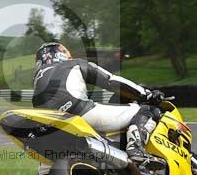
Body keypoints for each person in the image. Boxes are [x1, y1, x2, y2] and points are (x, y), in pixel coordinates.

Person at [32, 42, 165, 162]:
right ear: (58, 53)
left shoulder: (37, 78)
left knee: (52, 159)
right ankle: (136, 149)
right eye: (66, 51)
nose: (70, 54)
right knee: (148, 111)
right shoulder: (73, 64)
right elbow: (110, 81)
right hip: (80, 112)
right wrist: (146, 93)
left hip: (50, 127)